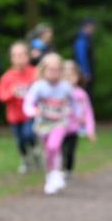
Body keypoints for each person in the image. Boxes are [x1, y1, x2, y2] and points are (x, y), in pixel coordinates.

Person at [23, 53, 75, 195]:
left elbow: (74, 102)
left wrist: (76, 116)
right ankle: (51, 175)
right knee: (48, 151)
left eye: (57, 70)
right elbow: (28, 102)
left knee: (54, 146)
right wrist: (32, 111)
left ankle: (56, 172)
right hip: (43, 124)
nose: (54, 73)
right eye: (51, 70)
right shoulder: (39, 86)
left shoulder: (65, 87)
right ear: (43, 70)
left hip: (60, 122)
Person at [0, 41, 41, 174]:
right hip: (14, 116)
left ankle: (35, 149)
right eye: (16, 55)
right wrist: (12, 93)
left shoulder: (35, 73)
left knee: (29, 134)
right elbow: (1, 96)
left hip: (31, 114)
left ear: (28, 56)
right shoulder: (7, 77)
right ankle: (25, 159)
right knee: (20, 140)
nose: (19, 58)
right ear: (11, 58)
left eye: (22, 55)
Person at [61, 60, 97, 179]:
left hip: (73, 129)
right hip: (59, 128)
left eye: (71, 75)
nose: (68, 79)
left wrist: (90, 130)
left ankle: (69, 170)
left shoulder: (81, 94)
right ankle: (58, 170)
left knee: (70, 151)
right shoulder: (57, 92)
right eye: (65, 76)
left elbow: (88, 113)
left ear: (77, 77)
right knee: (59, 150)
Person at [72, 19, 97, 98]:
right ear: (87, 27)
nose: (94, 29)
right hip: (83, 73)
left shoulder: (86, 38)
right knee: (85, 93)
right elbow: (81, 56)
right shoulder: (82, 39)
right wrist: (85, 72)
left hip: (85, 72)